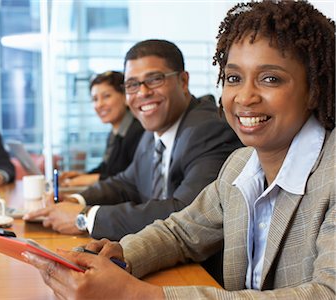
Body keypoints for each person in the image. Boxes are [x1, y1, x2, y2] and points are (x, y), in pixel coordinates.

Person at [22, 1, 335, 298]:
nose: (244, 97)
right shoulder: (241, 166)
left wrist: (141, 296)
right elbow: (181, 232)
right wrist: (119, 254)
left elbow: (327, 293)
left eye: (270, 79)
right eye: (233, 78)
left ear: (313, 89)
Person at [24, 39, 242, 241]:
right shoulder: (153, 131)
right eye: (132, 85)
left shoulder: (207, 129)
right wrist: (76, 201)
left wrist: (86, 218)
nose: (143, 92)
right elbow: (126, 183)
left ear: (183, 81)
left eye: (155, 79)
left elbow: (187, 212)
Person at [60, 71, 144, 187]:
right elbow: (106, 168)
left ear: (125, 97)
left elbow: (128, 179)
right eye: (95, 99)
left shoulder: (139, 132)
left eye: (106, 96)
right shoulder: (114, 133)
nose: (99, 105)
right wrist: (81, 176)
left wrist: (89, 179)